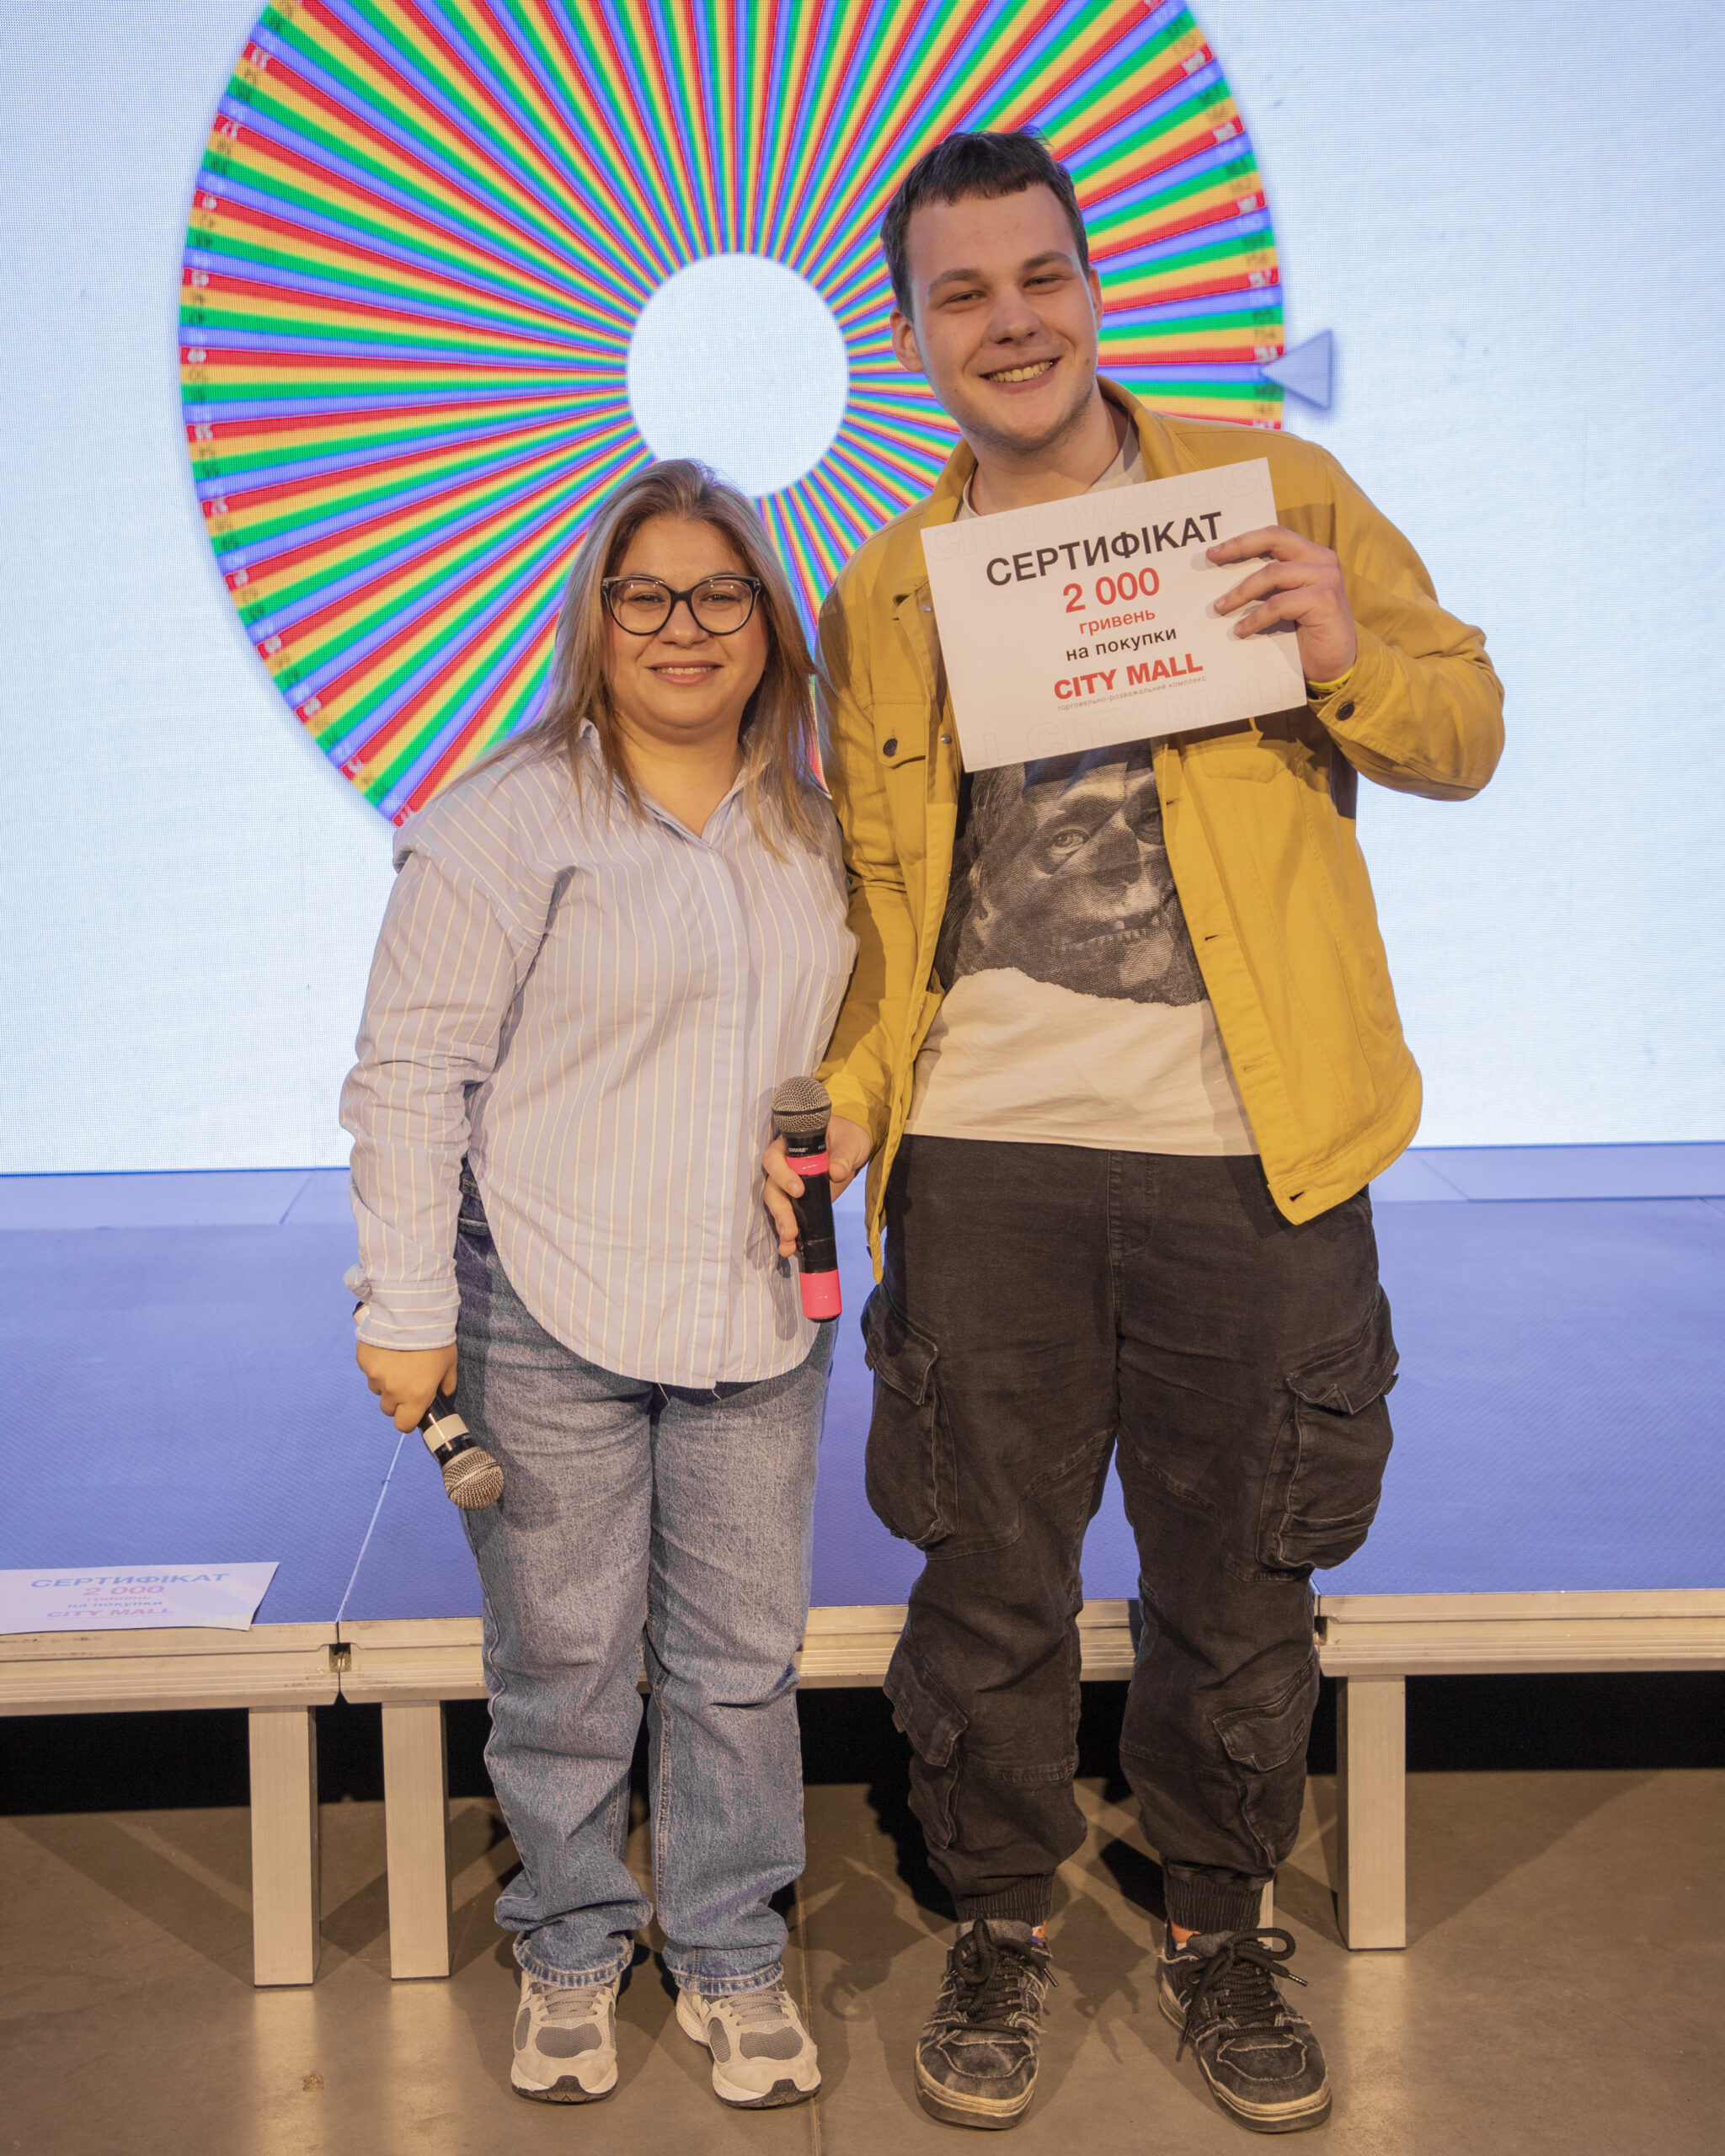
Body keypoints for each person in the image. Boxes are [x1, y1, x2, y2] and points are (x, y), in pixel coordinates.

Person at [763, 131, 1503, 2133]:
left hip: (1250, 1148)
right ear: (912, 331)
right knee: (985, 1579)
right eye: (962, 294)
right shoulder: (884, 592)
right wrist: (847, 1105)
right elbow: (882, 896)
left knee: (1242, 1577)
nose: (1010, 323)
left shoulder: (1274, 495)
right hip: (984, 1154)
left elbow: (1464, 727)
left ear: (1091, 286)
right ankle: (999, 1916)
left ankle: (1216, 1921)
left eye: (1040, 279)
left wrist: (1345, 654)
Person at [344, 460, 855, 2110]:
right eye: (647, 595)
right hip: (541, 1302)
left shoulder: (820, 824)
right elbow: (409, 1074)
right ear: (599, 619)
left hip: (756, 1310)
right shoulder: (505, 821)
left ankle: (729, 1949)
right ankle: (569, 1941)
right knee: (562, 1661)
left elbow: (859, 1048)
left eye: (719, 593)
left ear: (766, 621)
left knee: (739, 1661)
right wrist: (401, 1304)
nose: (682, 626)